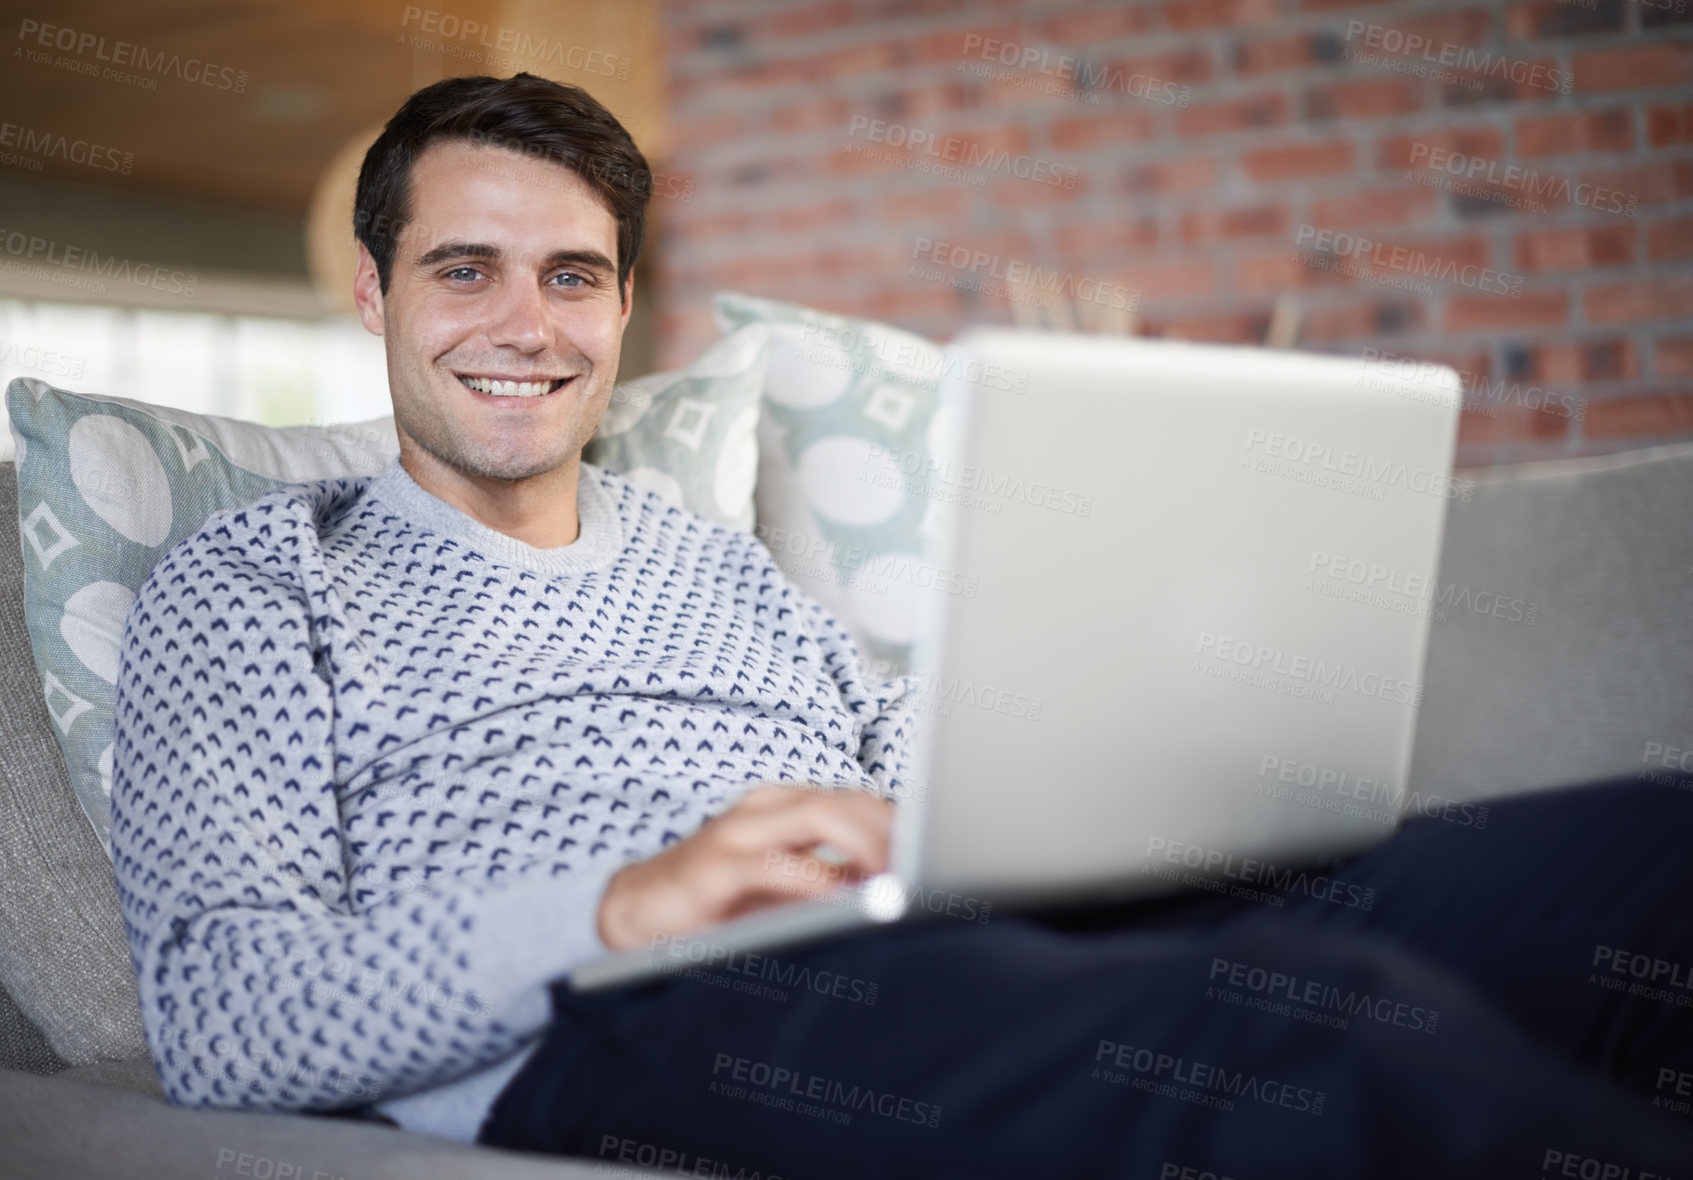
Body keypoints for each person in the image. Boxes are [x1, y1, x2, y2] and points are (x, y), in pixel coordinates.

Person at [110, 73, 1693, 1178]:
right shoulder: (261, 583)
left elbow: (903, 772)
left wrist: (1110, 714)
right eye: (466, 271)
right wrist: (632, 902)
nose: (527, 325)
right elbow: (223, 1023)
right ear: (375, 296)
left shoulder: (713, 564)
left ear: (620, 307)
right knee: (1334, 1046)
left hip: (913, 920)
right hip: (635, 1007)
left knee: (1640, 861)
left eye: (573, 277)